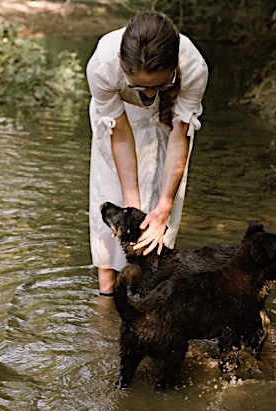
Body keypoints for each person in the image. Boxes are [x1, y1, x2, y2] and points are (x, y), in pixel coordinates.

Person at [86, 11, 208, 296]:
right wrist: (132, 209)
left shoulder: (194, 68)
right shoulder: (102, 66)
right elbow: (121, 136)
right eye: (139, 86)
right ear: (121, 65)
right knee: (111, 198)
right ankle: (106, 297)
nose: (149, 96)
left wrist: (162, 209)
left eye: (158, 86)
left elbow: (180, 137)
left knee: (161, 200)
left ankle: (152, 289)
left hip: (168, 124)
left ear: (172, 71)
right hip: (118, 125)